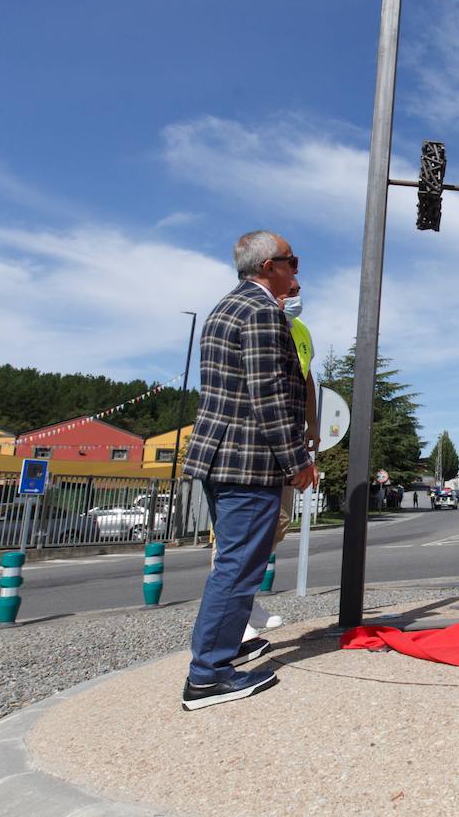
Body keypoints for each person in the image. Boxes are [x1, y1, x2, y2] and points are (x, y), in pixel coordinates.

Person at [180, 230, 316, 710]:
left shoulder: (225, 307)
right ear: (267, 267)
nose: (297, 269)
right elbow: (270, 395)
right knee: (239, 568)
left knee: (231, 564)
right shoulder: (261, 312)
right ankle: (208, 676)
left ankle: (222, 647)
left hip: (220, 454)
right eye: (291, 260)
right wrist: (297, 461)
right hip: (249, 460)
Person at [241, 276, 320, 643]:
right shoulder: (256, 317)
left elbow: (306, 381)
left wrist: (314, 426)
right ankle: (235, 612)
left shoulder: (301, 331)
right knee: (242, 530)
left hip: (288, 437)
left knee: (279, 522)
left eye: (299, 291)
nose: (296, 294)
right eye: (292, 289)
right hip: (253, 442)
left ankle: (248, 597)